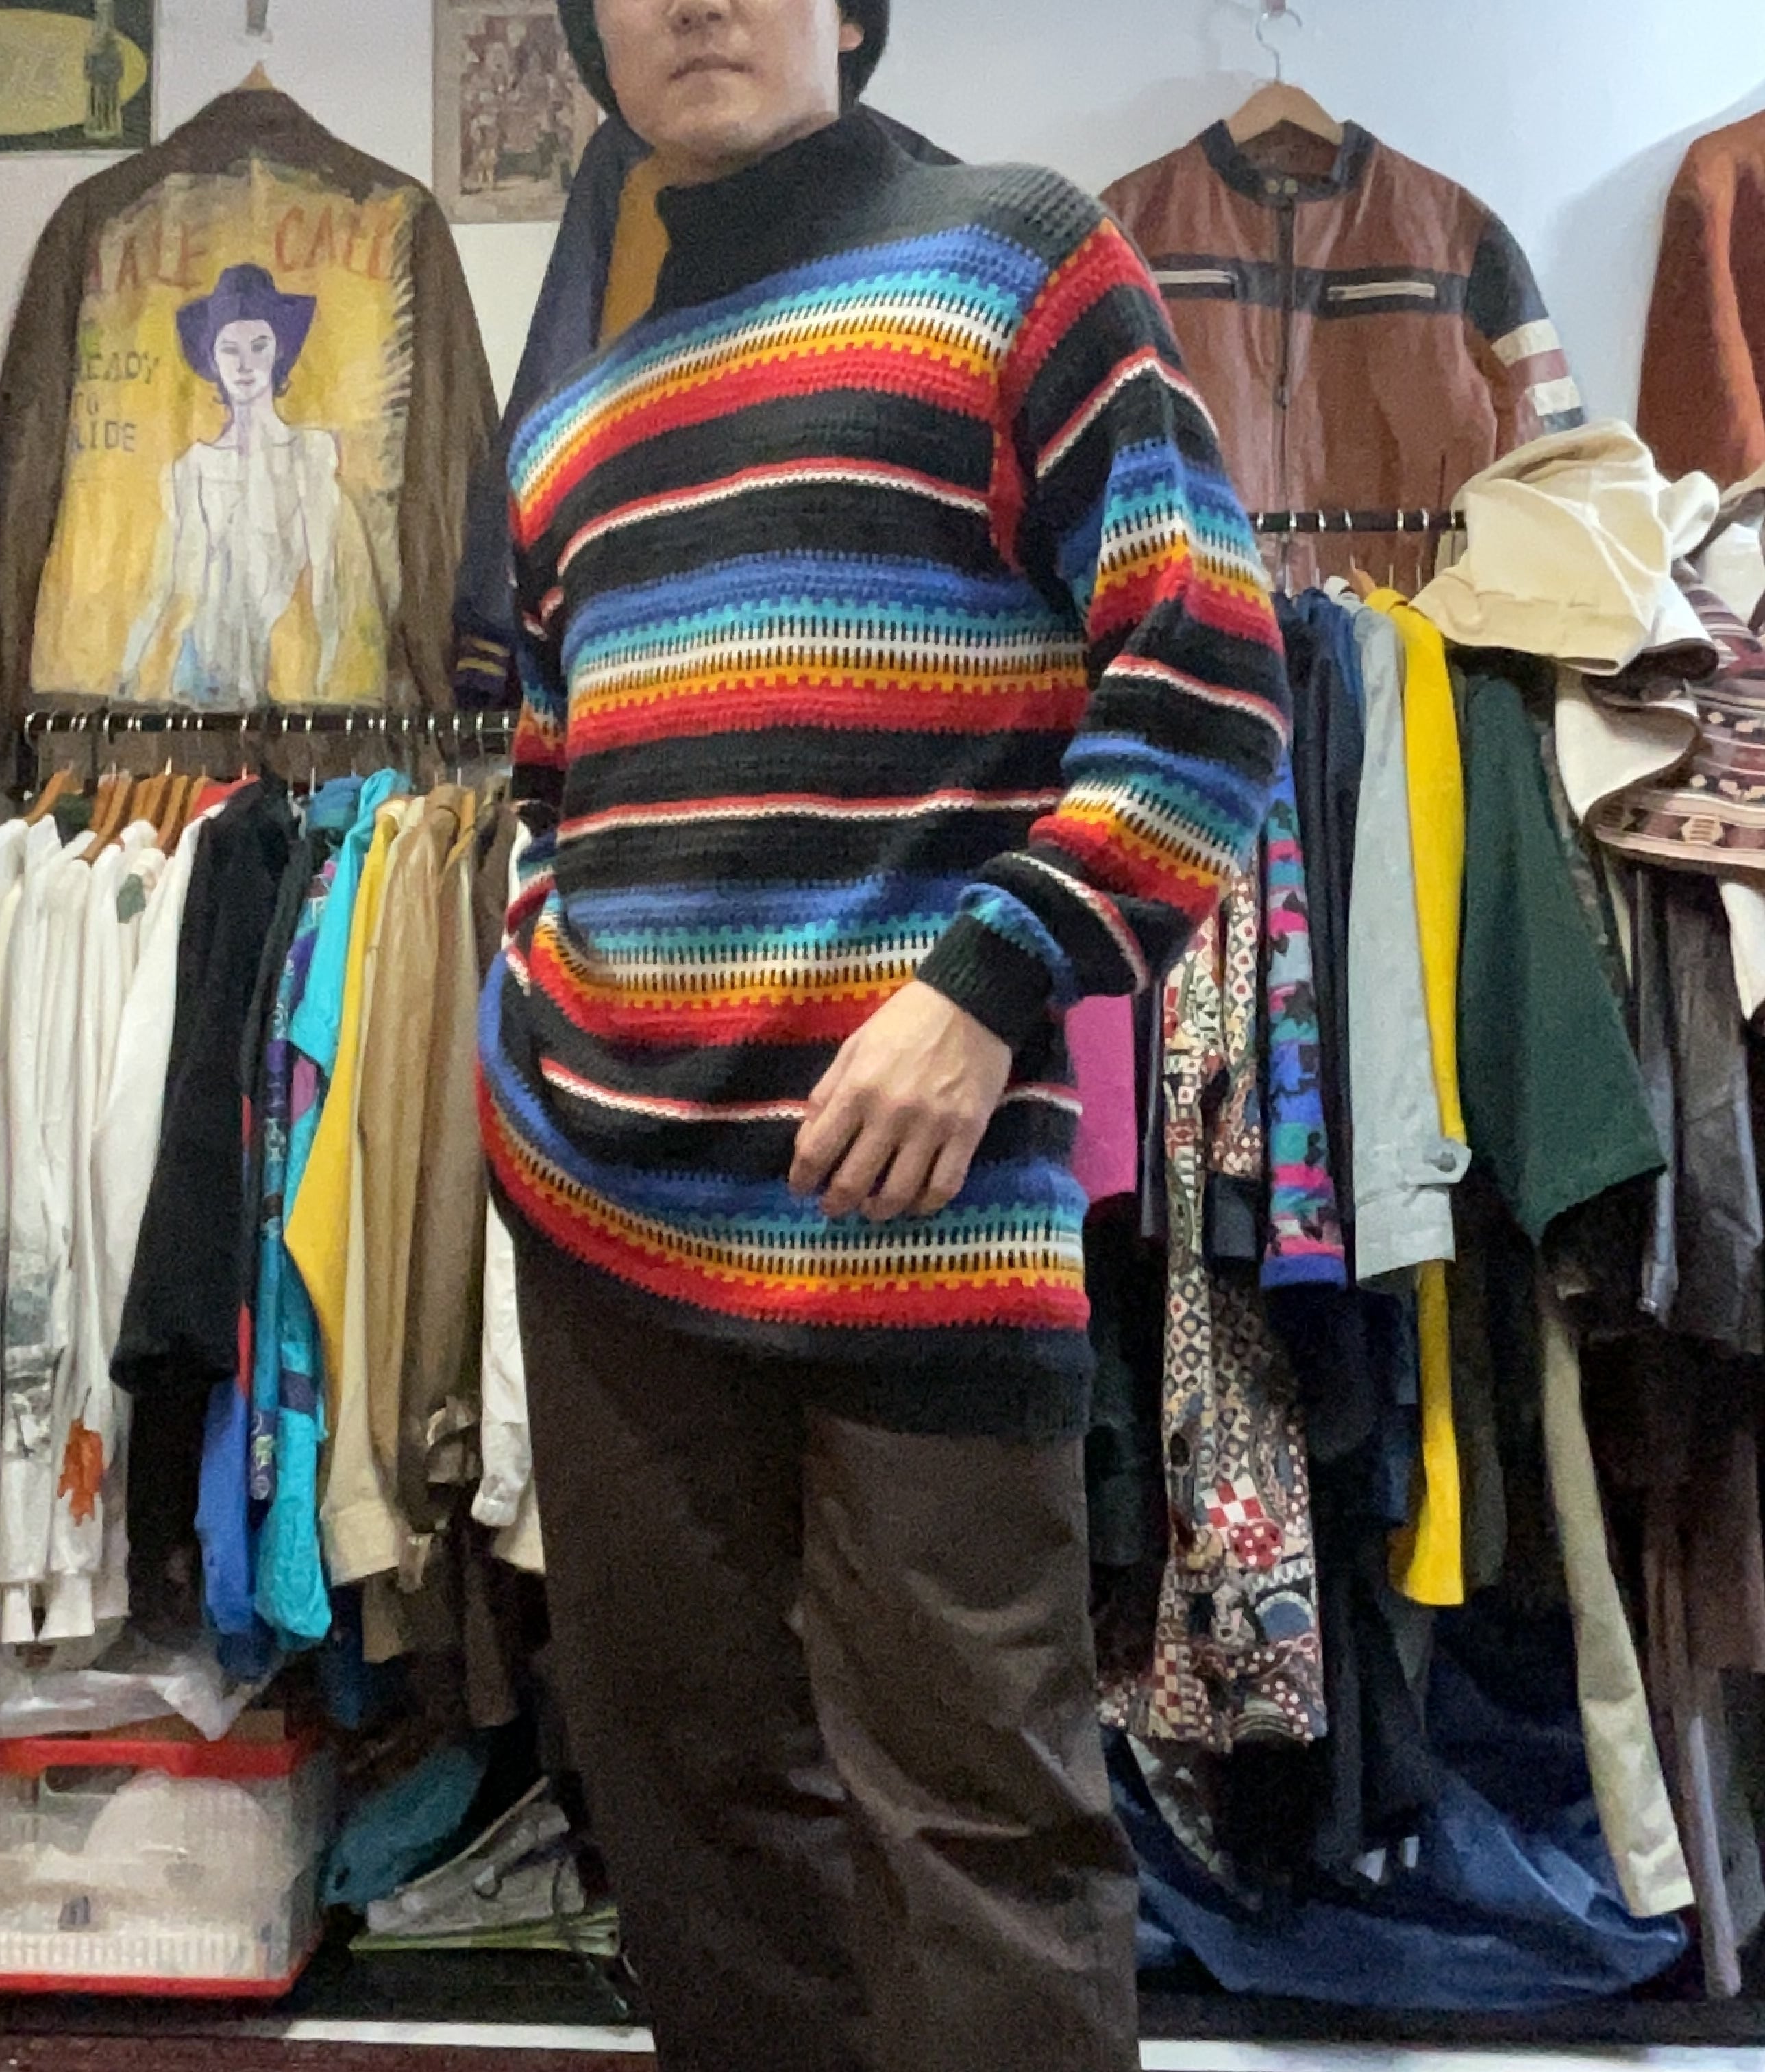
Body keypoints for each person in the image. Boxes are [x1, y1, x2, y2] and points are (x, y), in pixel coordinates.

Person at [478, 2, 1291, 2065]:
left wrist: (989, 987)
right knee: (692, 1811)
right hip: (603, 1220)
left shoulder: (1015, 258)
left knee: (978, 1824)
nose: (694, 3)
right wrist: (527, 1018)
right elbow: (551, 780)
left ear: (847, 12)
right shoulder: (570, 415)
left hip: (916, 1204)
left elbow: (1208, 671)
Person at [123, 262, 345, 706]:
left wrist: (326, 672)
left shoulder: (310, 454)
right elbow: (164, 583)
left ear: (279, 352)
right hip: (201, 675)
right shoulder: (191, 469)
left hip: (284, 675)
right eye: (230, 349)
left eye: (259, 346)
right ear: (212, 359)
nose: (245, 365)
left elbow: (327, 573)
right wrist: (127, 671)